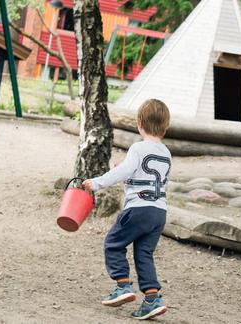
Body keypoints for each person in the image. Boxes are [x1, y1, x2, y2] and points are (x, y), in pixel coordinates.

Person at [83, 99, 172, 320]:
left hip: (137, 209)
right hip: (159, 212)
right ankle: (152, 299)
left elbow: (125, 171)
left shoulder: (138, 148)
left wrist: (97, 182)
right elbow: (151, 180)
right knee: (144, 253)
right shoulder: (166, 153)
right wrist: (125, 173)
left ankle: (123, 286)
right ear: (166, 126)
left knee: (113, 244)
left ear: (139, 122)